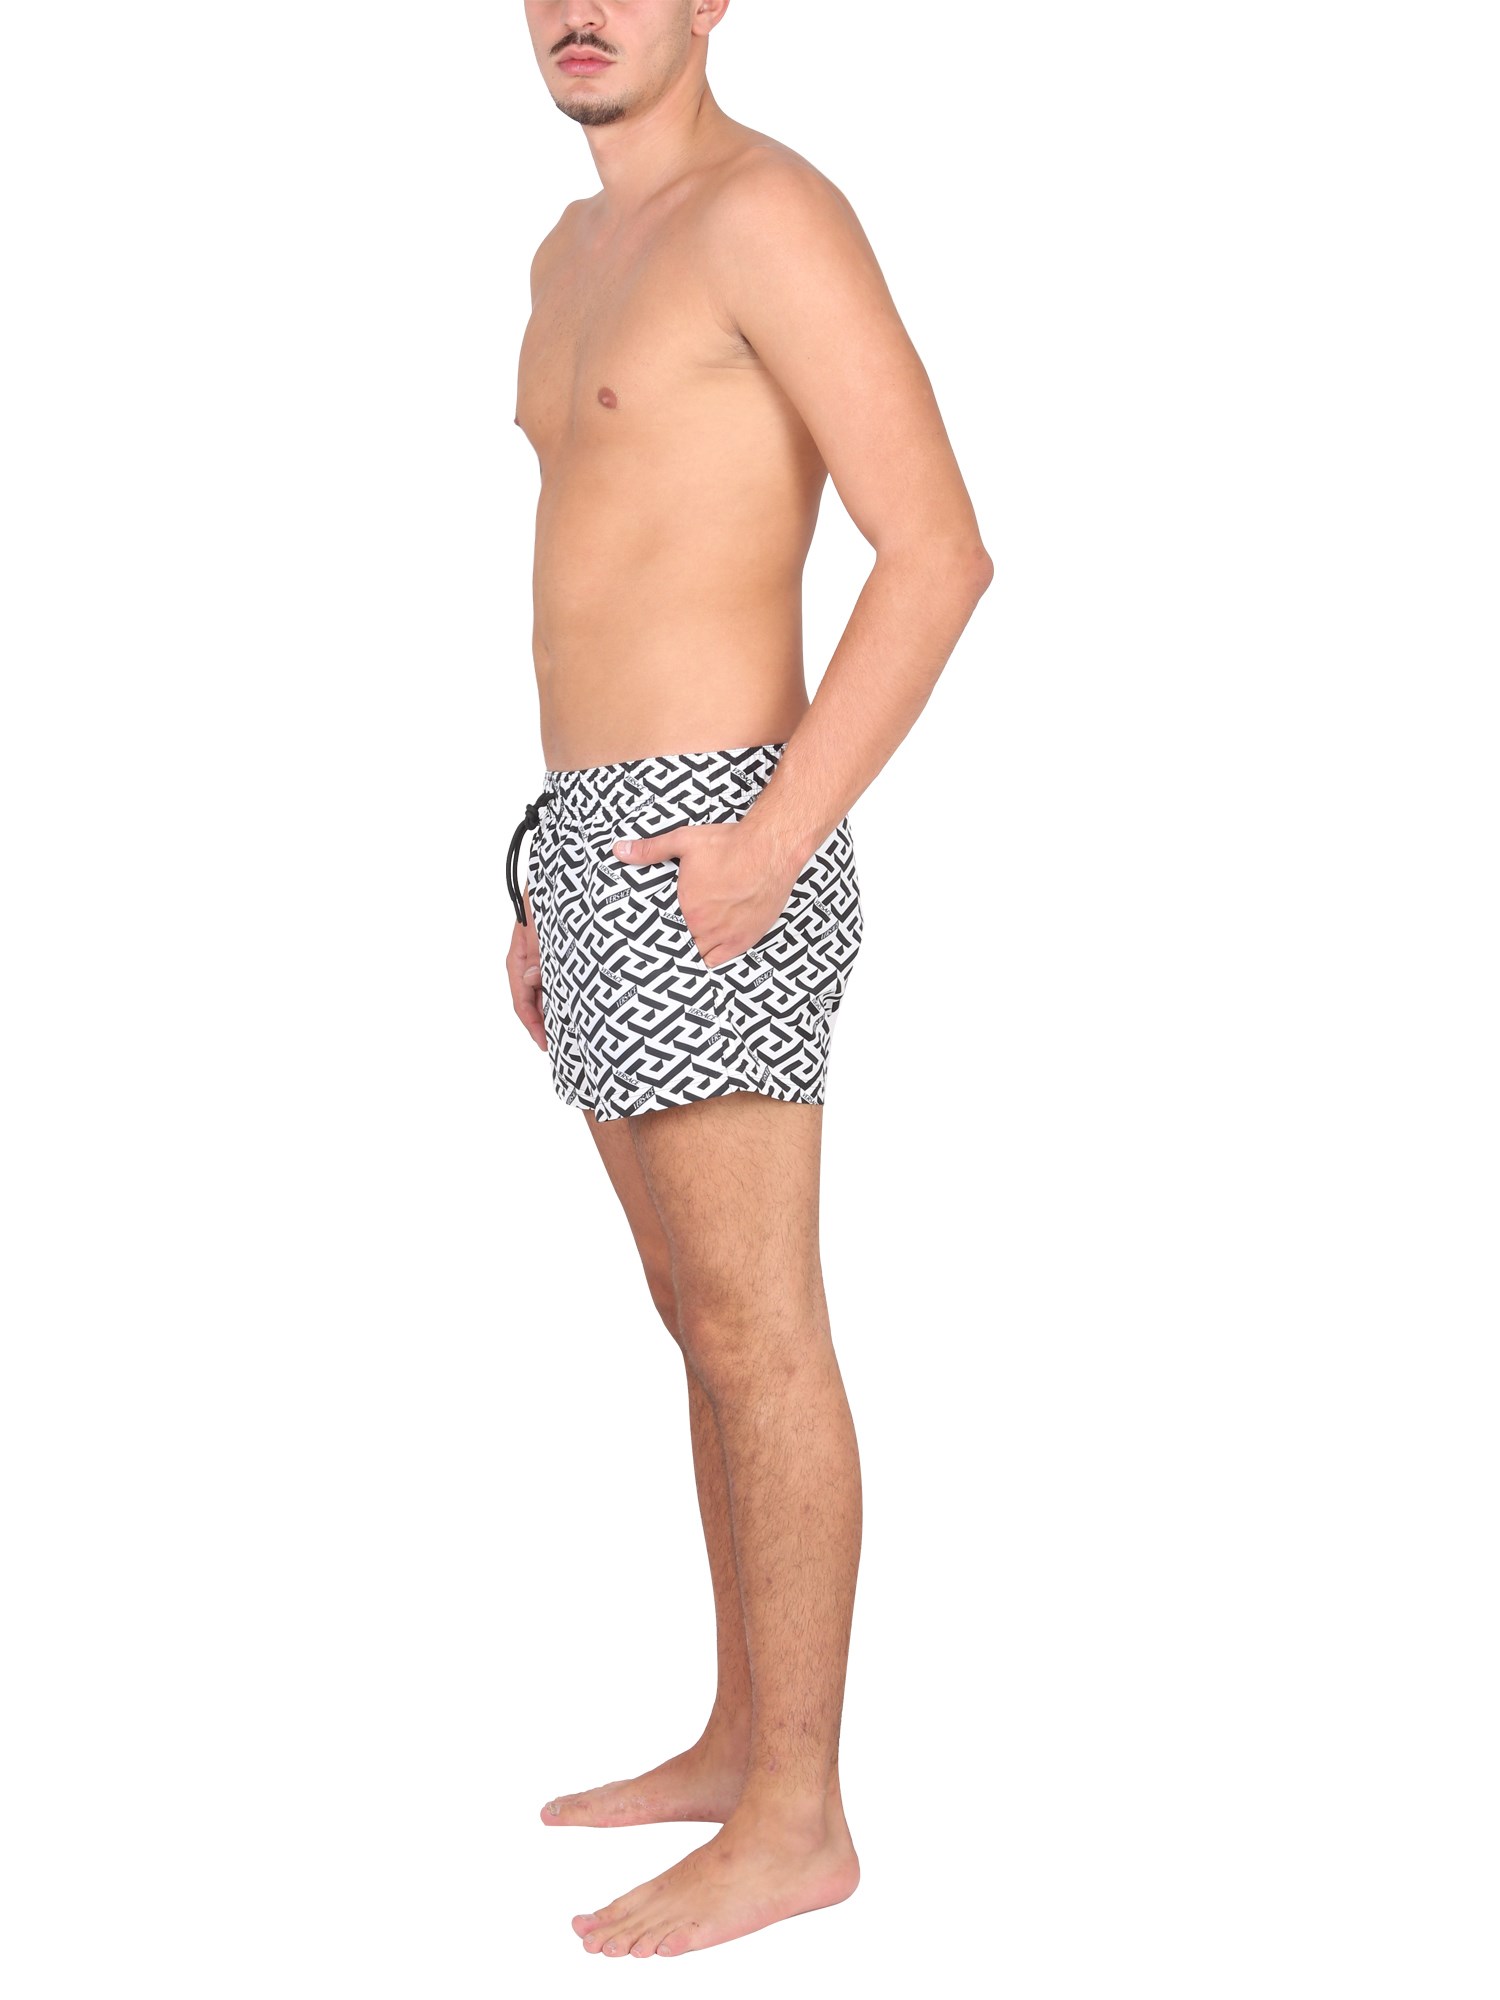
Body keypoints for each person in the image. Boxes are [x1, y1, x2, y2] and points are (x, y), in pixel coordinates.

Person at [507, 1, 992, 1959]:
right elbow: (606, 572)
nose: (581, 10)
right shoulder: (569, 251)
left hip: (726, 828)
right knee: (695, 1320)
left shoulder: (763, 211)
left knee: (758, 1325)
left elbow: (937, 549)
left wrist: (771, 836)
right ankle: (740, 1740)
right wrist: (545, 875)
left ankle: (800, 1816)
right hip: (599, 839)